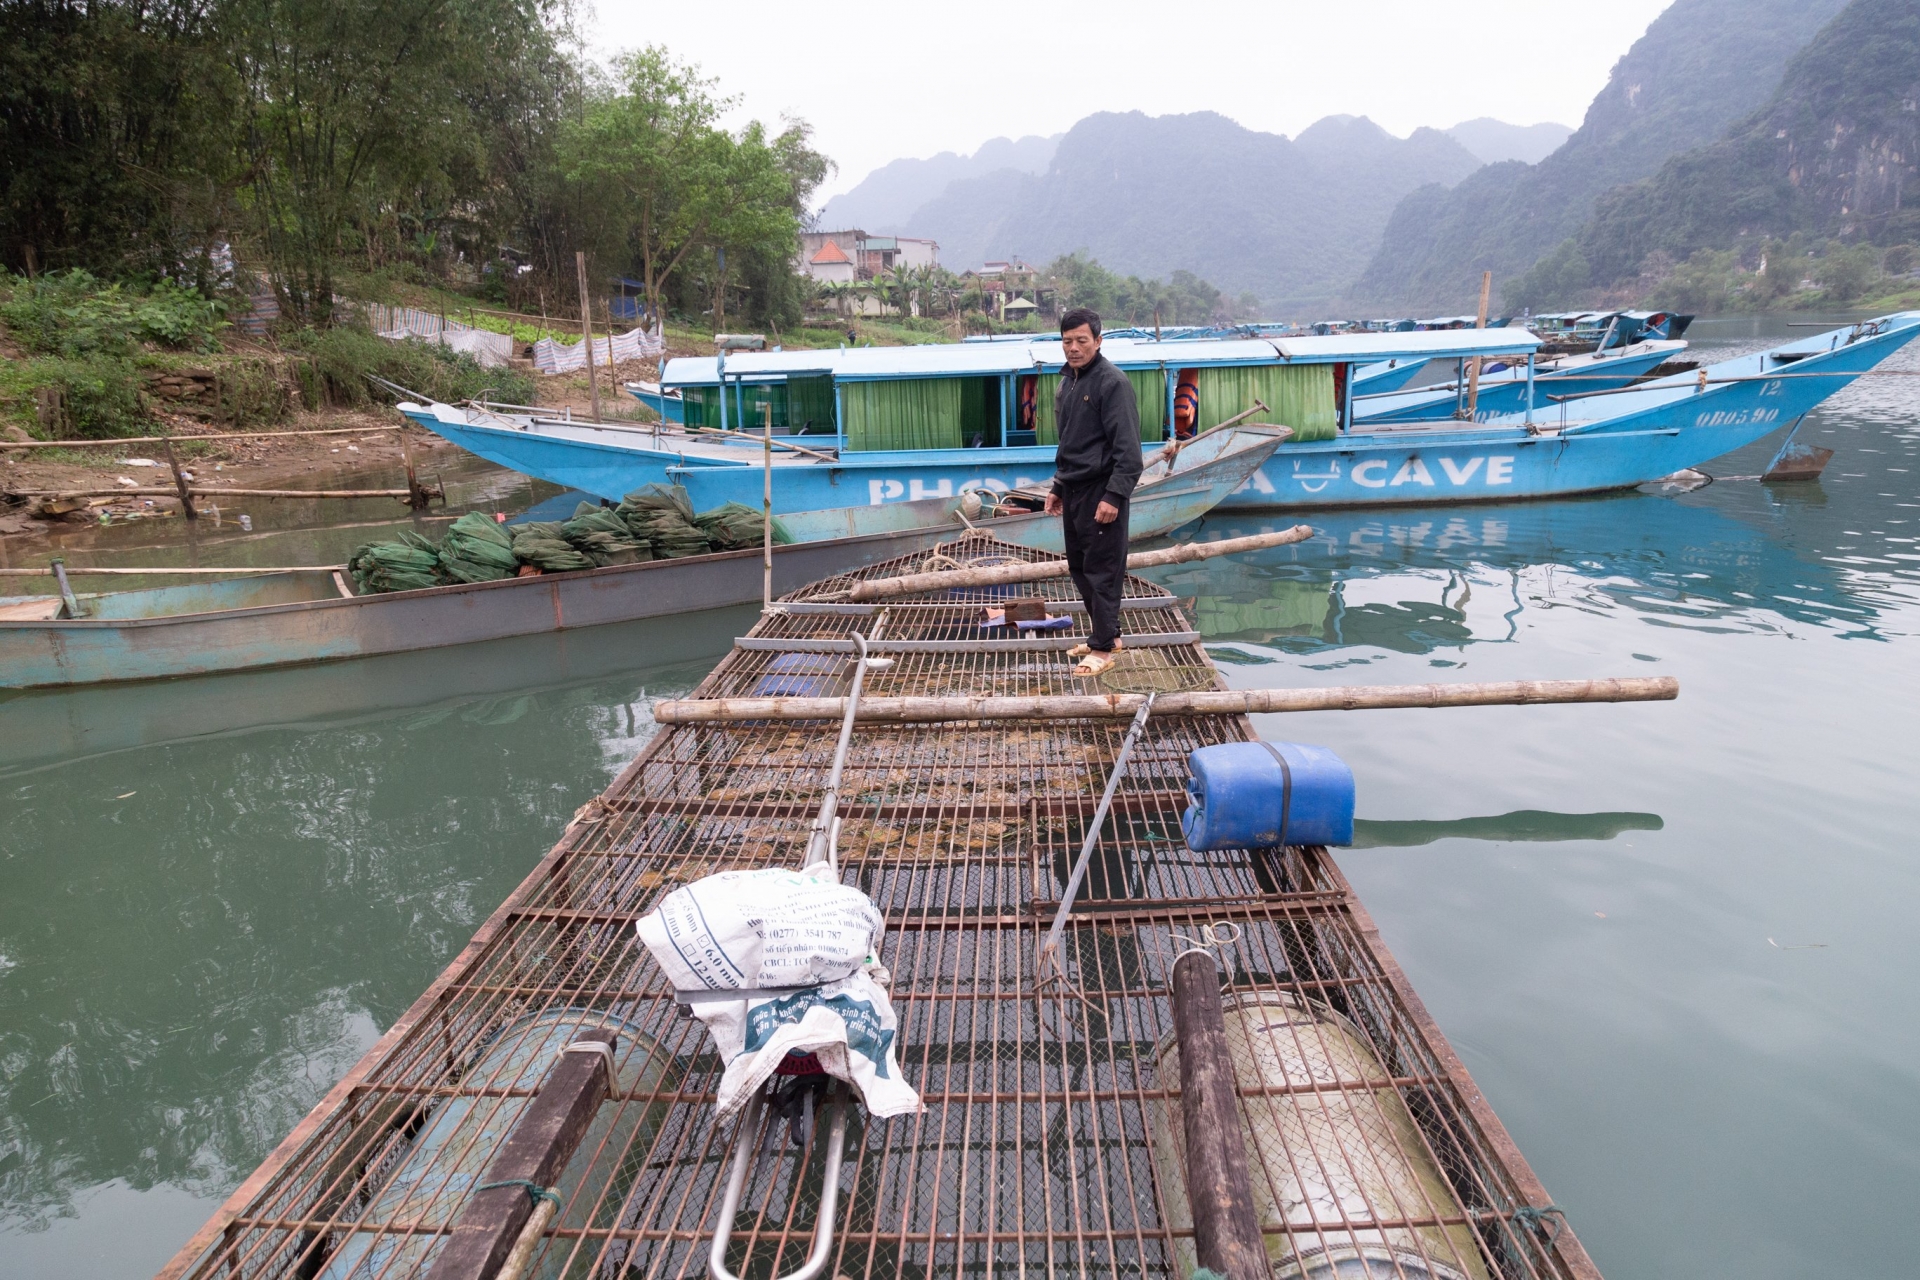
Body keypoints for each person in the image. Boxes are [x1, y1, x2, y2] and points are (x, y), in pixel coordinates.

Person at [1044, 307, 1142, 677]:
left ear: (1098, 341)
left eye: (1081, 341)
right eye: (1067, 341)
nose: (1073, 348)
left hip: (1103, 488)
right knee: (1080, 566)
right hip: (1075, 488)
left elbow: (1129, 452)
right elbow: (1071, 442)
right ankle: (1107, 634)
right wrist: (1058, 486)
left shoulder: (1111, 382)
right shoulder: (1068, 382)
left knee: (1103, 569)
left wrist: (1114, 496)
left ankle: (1102, 649)